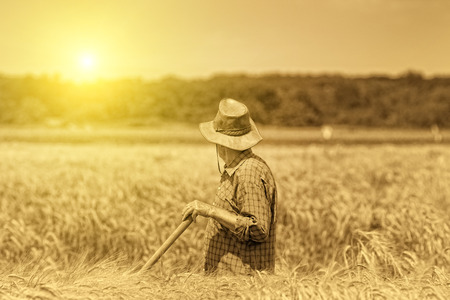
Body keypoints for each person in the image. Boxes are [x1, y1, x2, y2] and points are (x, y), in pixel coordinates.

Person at [182, 98, 277, 275]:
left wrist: (210, 211)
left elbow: (258, 230)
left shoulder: (249, 172)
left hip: (242, 284)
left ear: (221, 142)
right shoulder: (234, 169)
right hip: (226, 282)